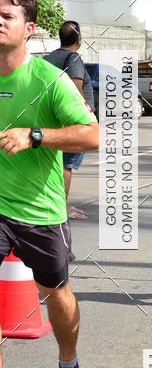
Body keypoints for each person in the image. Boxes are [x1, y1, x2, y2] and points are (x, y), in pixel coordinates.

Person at [0, 0, 99, 368]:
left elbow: (92, 135)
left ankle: (68, 363)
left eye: (7, 16)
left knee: (55, 291)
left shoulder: (49, 80)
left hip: (40, 211)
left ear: (29, 28)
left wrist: (35, 136)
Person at [45, 20, 95, 220]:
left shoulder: (48, 58)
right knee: (67, 165)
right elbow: (76, 90)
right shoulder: (73, 58)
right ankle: (61, 208)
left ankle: (52, 204)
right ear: (79, 39)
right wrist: (84, 121)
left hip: (49, 119)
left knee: (55, 165)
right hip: (69, 121)